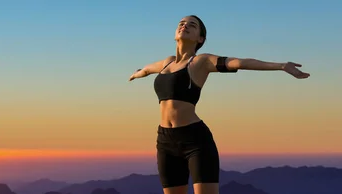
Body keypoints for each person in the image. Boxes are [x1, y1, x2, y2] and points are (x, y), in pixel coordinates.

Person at [127, 15, 310, 194]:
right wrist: (137, 73)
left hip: (195, 140)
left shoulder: (201, 61)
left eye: (192, 24)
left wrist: (281, 65)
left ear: (200, 38)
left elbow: (240, 62)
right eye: (181, 23)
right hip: (165, 141)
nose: (185, 25)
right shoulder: (167, 63)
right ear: (175, 32)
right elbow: (147, 69)